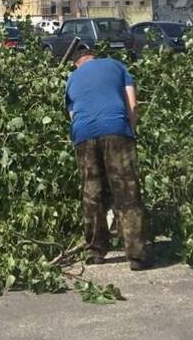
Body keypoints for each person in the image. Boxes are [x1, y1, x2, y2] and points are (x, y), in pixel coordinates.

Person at [65, 40, 152, 269]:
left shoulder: (72, 79)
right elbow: (132, 105)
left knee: (91, 193)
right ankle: (135, 255)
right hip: (116, 129)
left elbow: (73, 116)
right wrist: (129, 131)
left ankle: (95, 251)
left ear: (76, 63)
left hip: (83, 134)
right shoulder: (117, 66)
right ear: (94, 56)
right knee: (126, 191)